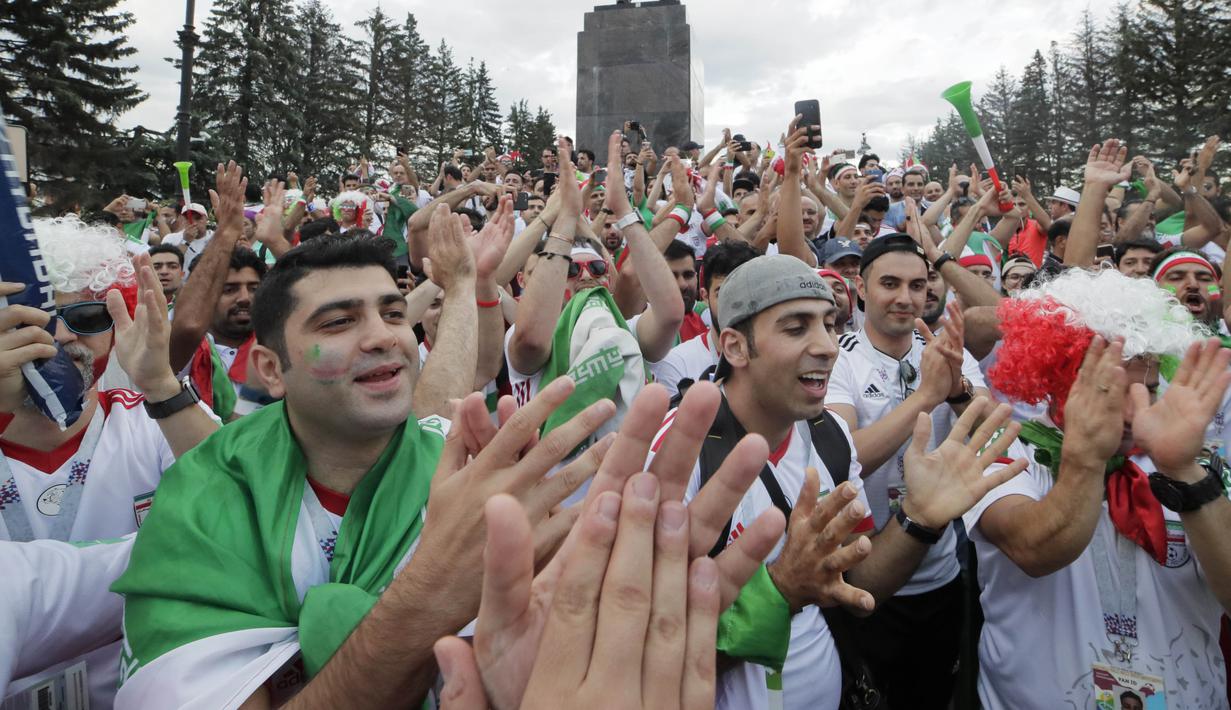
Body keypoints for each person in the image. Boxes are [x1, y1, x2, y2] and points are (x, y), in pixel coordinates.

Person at [648, 254, 1027, 710]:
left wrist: (918, 519)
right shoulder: (680, 452)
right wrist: (781, 590)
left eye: (830, 324)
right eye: (796, 327)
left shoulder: (830, 435)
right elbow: (650, 649)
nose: (828, 346)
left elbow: (854, 586)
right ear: (734, 348)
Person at [968, 267, 1231, 709]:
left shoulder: (1197, 464)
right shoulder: (1005, 451)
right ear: (1056, 382)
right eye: (1112, 391)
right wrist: (1086, 457)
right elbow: (1035, 550)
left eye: (1147, 389)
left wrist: (1183, 470)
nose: (1134, 410)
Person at [0, 217, 220, 707]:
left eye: (87, 317)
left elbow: (250, 509)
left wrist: (161, 384)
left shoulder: (154, 418)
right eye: (30, 318)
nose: (57, 336)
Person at [826, 235, 991, 706]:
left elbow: (992, 436)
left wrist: (956, 388)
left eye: (917, 285)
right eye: (890, 284)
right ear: (861, 287)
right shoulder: (838, 356)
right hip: (865, 579)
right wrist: (925, 397)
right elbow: (843, 455)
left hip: (941, 578)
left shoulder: (946, 352)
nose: (905, 297)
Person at [653, 240, 760, 397]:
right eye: (722, 293)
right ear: (705, 296)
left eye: (745, 291)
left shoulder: (780, 354)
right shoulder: (677, 363)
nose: (735, 303)